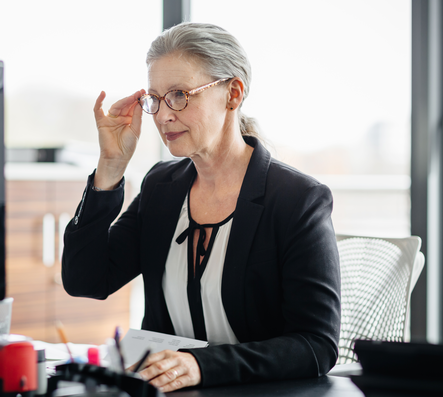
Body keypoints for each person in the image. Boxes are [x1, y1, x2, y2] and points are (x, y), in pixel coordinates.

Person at [61, 22, 341, 392]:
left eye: (179, 95)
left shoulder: (297, 199)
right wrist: (110, 170)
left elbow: (316, 345)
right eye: (156, 99)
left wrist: (201, 365)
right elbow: (86, 281)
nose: (162, 115)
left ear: (233, 93)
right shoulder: (161, 186)